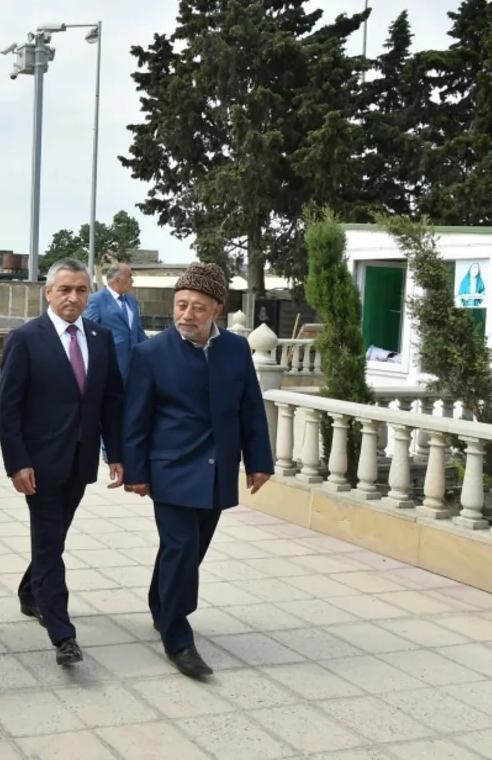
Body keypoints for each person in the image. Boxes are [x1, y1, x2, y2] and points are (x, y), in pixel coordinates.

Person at [119, 263, 273, 678]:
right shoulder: (150, 354)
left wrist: (259, 461)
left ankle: (160, 604)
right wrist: (136, 471)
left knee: (190, 549)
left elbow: (250, 408)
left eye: (198, 307)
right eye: (181, 304)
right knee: (182, 547)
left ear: (217, 310)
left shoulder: (236, 350)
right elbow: (135, 418)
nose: (186, 314)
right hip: (171, 469)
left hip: (218, 469)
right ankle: (178, 636)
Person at [0, 258, 124, 665]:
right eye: (65, 289)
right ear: (48, 292)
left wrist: (116, 453)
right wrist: (17, 462)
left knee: (54, 537)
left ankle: (30, 592)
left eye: (81, 290)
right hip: (40, 462)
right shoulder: (25, 339)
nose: (73, 297)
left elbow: (111, 401)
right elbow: (8, 408)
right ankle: (62, 634)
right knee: (50, 542)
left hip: (80, 461)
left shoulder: (100, 338)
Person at [82, 263, 148, 381]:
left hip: (134, 367)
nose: (132, 280)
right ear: (117, 280)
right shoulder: (96, 301)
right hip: (109, 367)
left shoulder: (132, 302)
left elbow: (139, 332)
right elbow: (87, 332)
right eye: (129, 276)